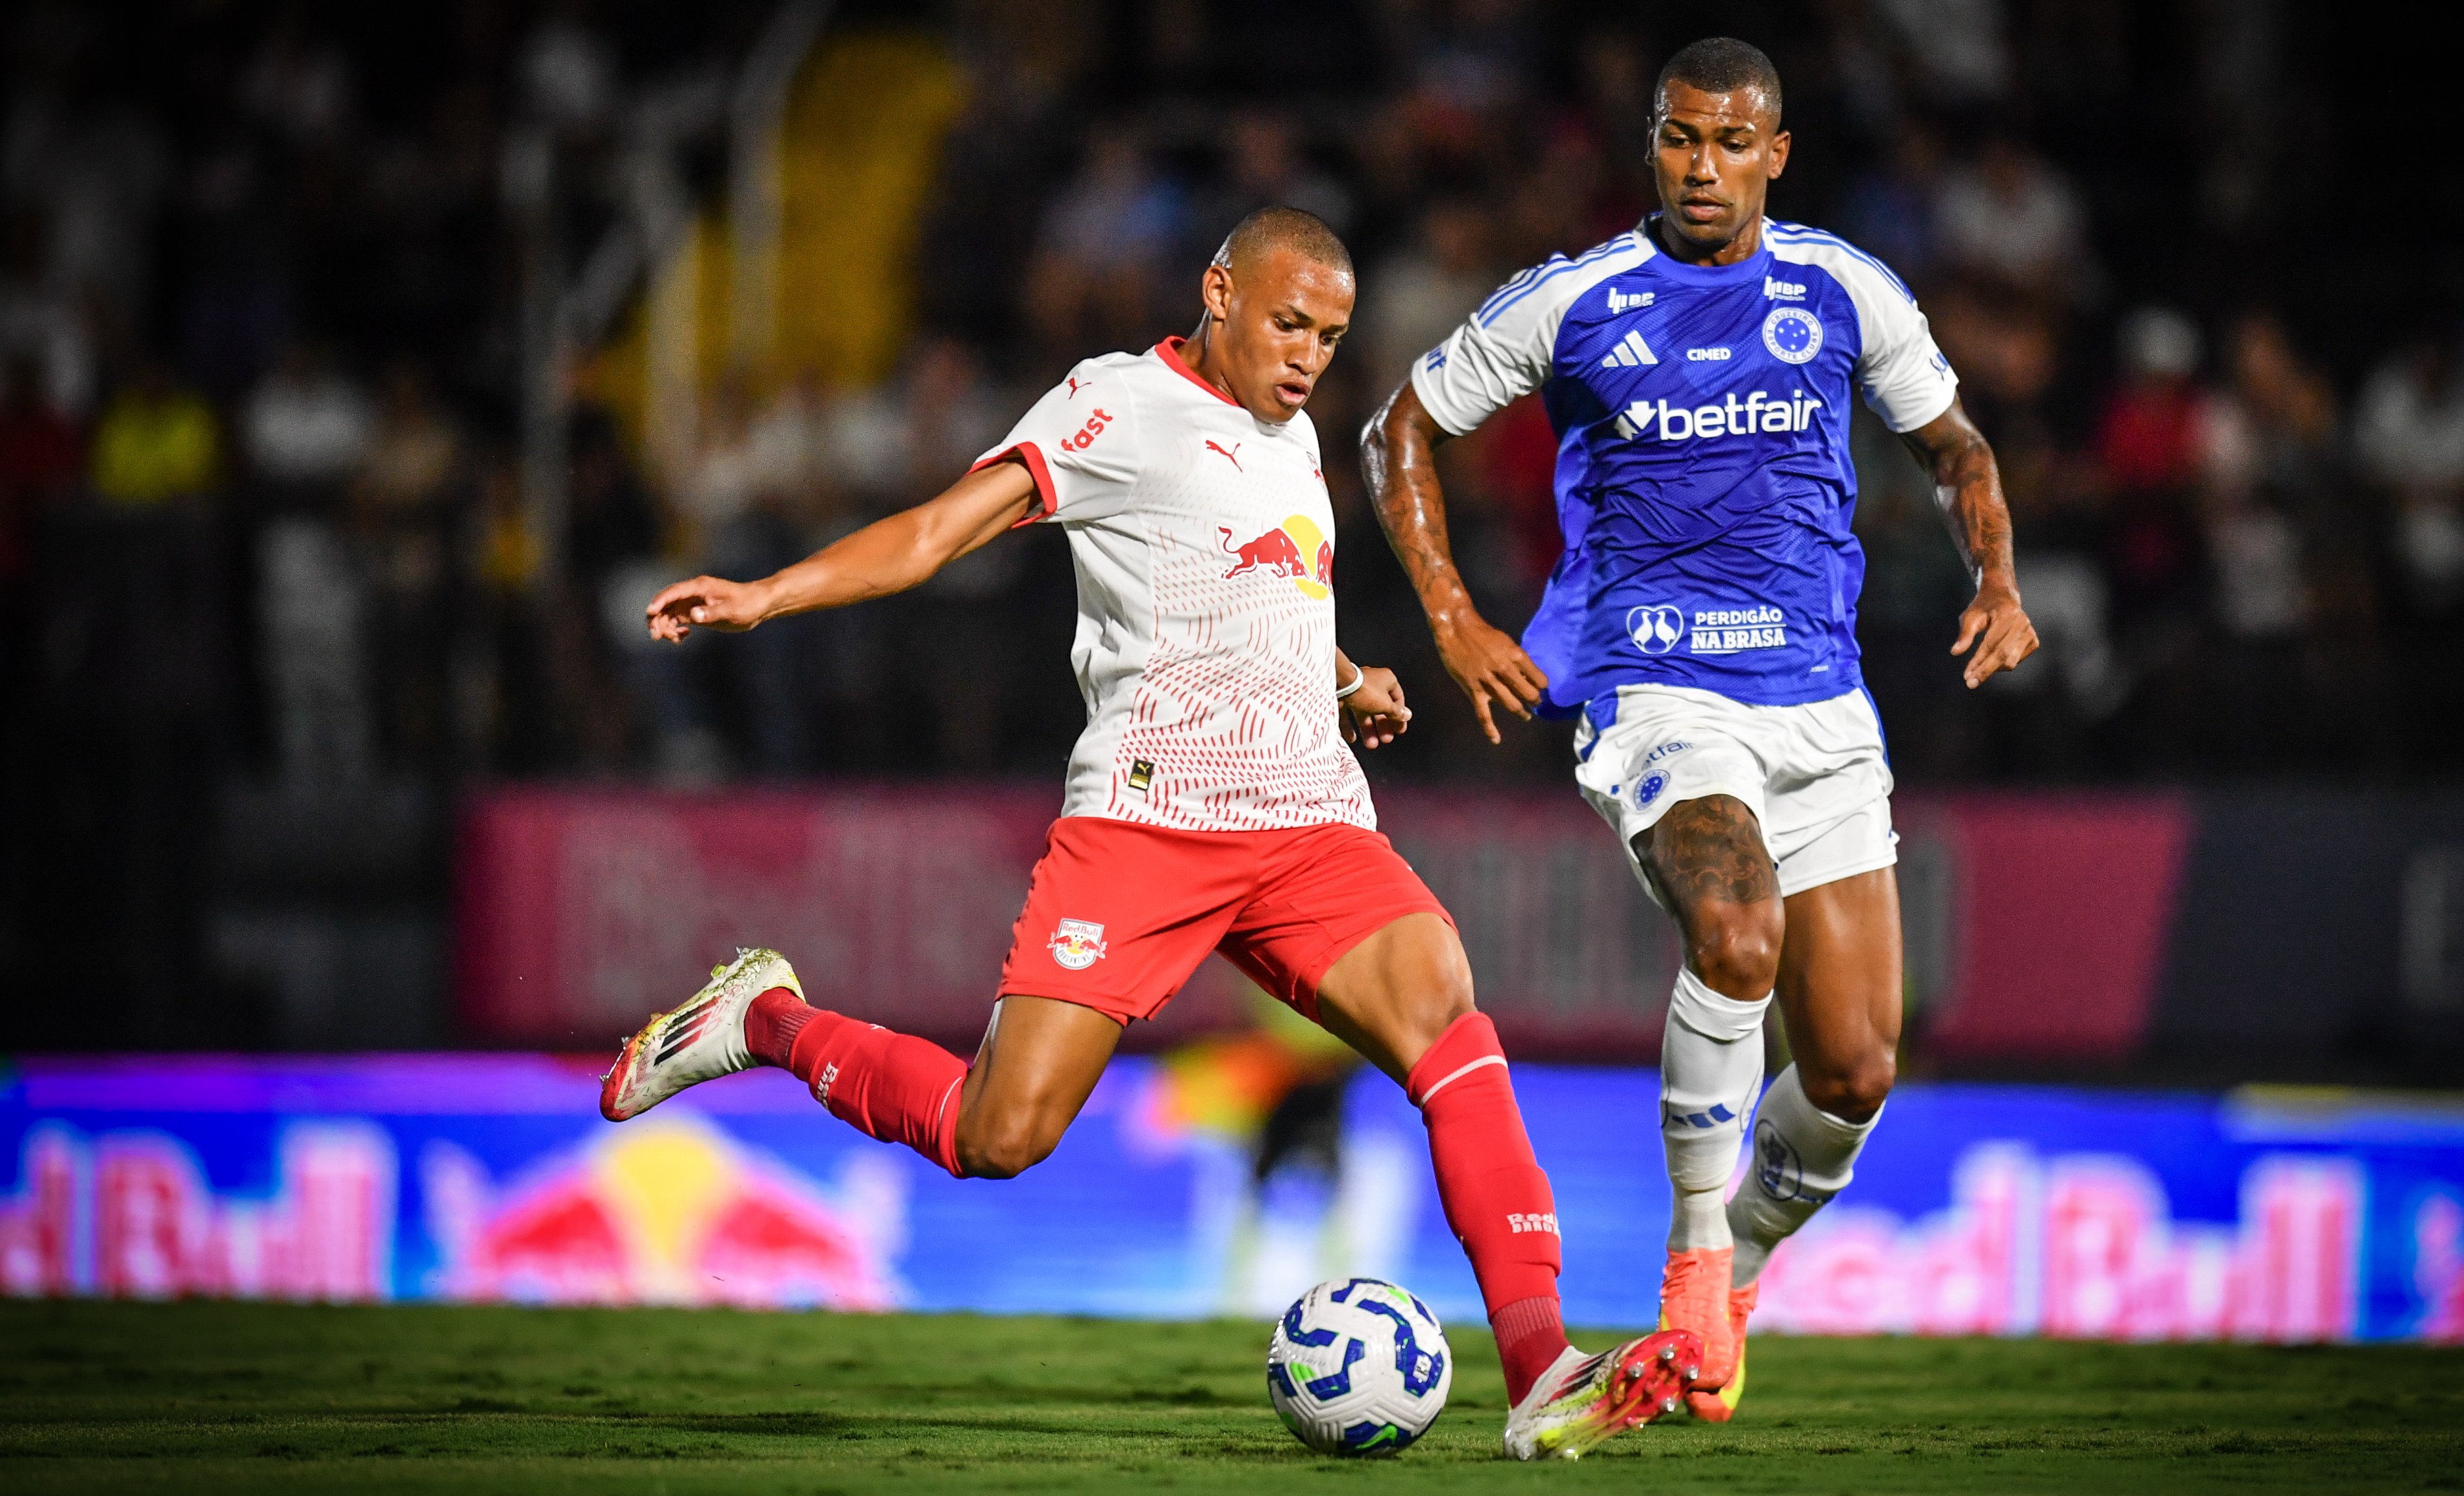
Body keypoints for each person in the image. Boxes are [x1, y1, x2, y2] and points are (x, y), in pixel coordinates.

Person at [604, 207, 1699, 1460]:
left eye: (1332, 338)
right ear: (1218, 291)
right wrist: (766, 593)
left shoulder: (1291, 440)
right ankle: (766, 1020)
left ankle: (1540, 1367)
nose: (1308, 358)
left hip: (1304, 821)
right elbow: (935, 532)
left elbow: (1254, 582)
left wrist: (1343, 679)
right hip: (1149, 824)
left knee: (1447, 1012)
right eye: (1289, 324)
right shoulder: (1118, 404)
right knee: (997, 1135)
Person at [1360, 38, 2037, 1421]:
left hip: (1820, 703)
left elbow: (1954, 446)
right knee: (1736, 933)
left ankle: (1737, 1265)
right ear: (1649, 147)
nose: (1701, 168)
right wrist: (1450, 617)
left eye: (1730, 144)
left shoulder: (1843, 288)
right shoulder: (1579, 298)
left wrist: (1999, 580)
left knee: (1851, 1068)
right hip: (1653, 685)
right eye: (1677, 140)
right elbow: (1397, 428)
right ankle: (1687, 1259)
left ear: (1774, 154)